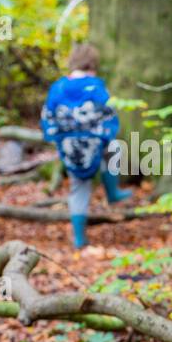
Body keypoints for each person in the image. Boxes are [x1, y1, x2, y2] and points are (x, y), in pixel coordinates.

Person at [40, 43, 130, 249]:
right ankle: (112, 191)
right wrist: (104, 135)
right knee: (114, 148)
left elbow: (47, 118)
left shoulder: (58, 87)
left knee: (78, 187)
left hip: (69, 146)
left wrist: (59, 138)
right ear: (92, 63)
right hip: (94, 142)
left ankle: (79, 238)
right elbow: (109, 116)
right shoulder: (97, 87)